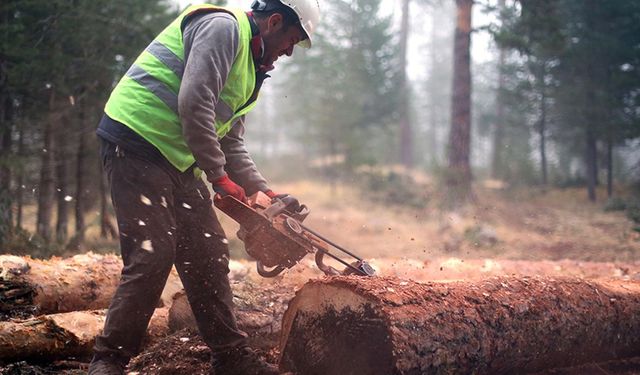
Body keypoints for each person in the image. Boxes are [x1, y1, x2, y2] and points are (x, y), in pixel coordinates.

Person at [88, 0, 320, 374]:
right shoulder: (222, 29)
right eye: (291, 39)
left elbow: (229, 142)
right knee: (153, 253)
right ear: (274, 21)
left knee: (208, 251)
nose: (290, 51)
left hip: (178, 159)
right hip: (136, 140)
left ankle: (230, 356)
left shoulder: (251, 68)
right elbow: (194, 102)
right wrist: (219, 178)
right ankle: (108, 361)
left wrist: (265, 192)